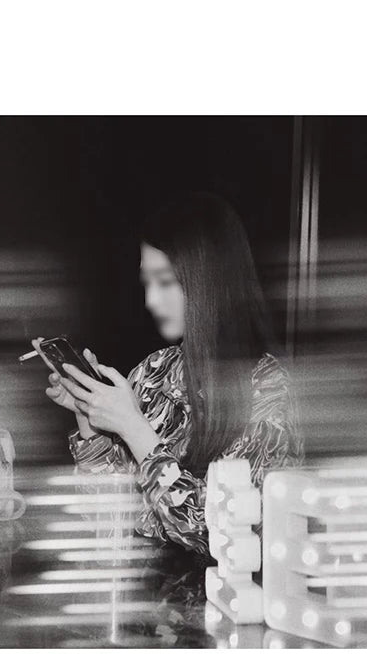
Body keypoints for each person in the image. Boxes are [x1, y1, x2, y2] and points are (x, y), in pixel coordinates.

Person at [41, 191, 304, 557]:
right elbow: (107, 520)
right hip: (146, 592)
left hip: (226, 593)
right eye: (146, 282)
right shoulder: (154, 372)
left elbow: (227, 535)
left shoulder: (269, 388)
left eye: (164, 281)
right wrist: (89, 420)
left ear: (208, 281)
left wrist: (135, 430)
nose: (150, 300)